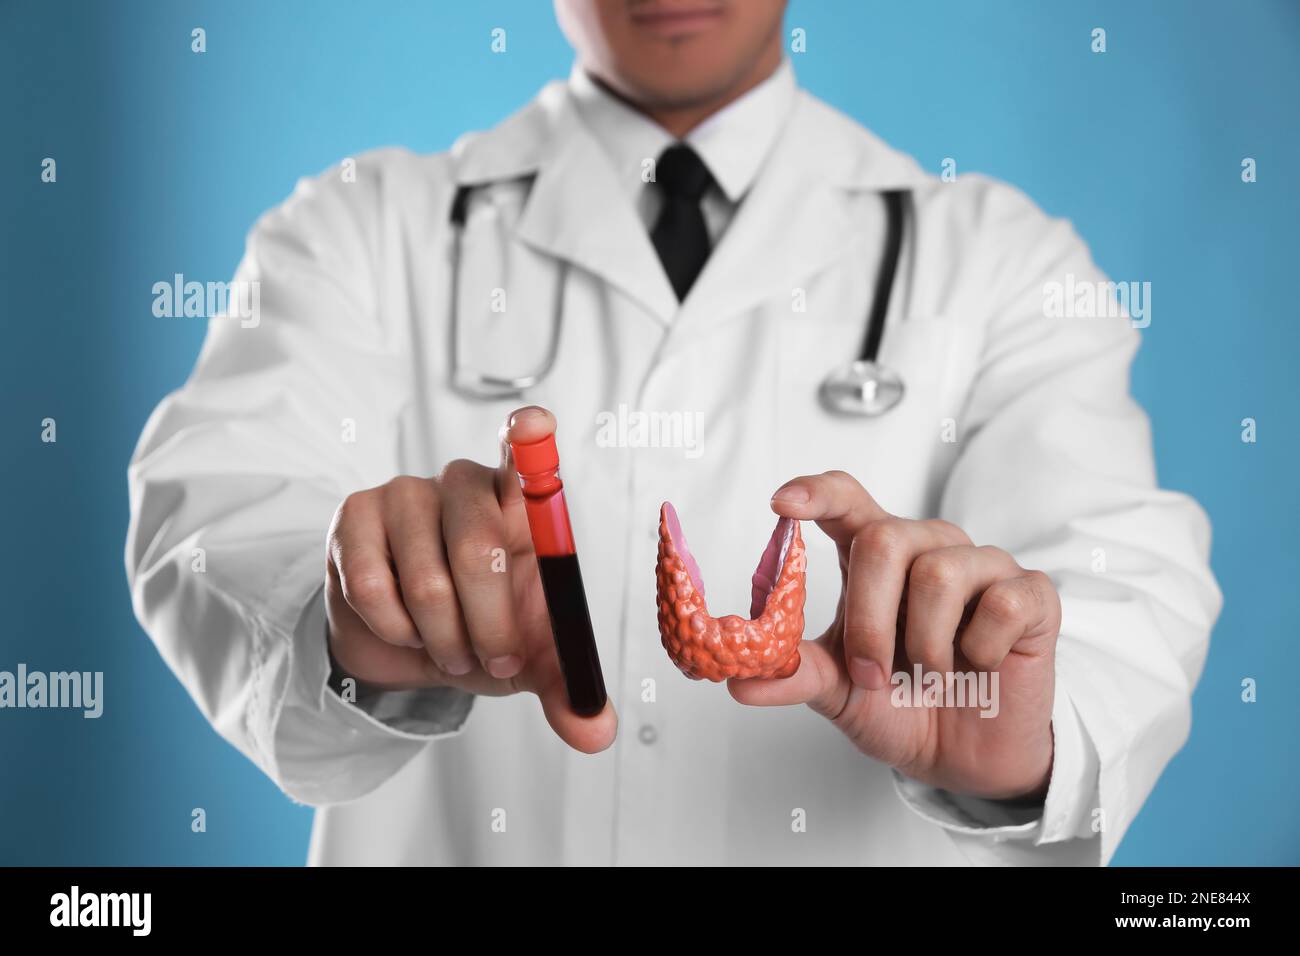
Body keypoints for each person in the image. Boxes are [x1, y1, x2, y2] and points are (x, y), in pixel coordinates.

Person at [126, 0, 1221, 865]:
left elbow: (1122, 578)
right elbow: (209, 514)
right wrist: (351, 612)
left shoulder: (1002, 260)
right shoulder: (359, 229)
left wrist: (1016, 731)